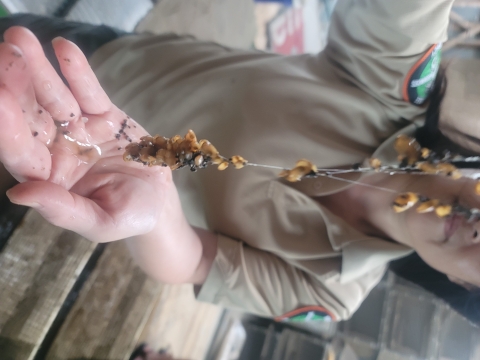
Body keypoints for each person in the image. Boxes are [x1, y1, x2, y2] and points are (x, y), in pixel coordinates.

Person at [0, 0, 479, 328]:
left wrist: (156, 205)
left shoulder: (332, 293)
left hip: (48, 165)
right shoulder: (397, 94)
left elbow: (193, 261)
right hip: (86, 59)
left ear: (460, 284)